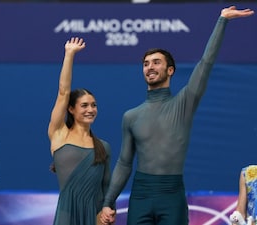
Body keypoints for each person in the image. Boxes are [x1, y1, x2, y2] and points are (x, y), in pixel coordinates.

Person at [99, 6, 255, 225]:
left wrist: (222, 20)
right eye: (145, 64)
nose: (149, 67)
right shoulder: (131, 116)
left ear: (170, 70)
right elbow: (124, 163)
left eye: (156, 62)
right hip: (140, 195)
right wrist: (108, 202)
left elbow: (206, 63)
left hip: (172, 196)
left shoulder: (184, 103)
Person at [48, 37, 113, 225]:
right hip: (67, 217)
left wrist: (107, 214)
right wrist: (69, 55)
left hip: (95, 218)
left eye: (94, 105)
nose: (90, 109)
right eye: (84, 105)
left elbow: (107, 188)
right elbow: (63, 93)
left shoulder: (104, 147)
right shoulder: (59, 134)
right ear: (71, 109)